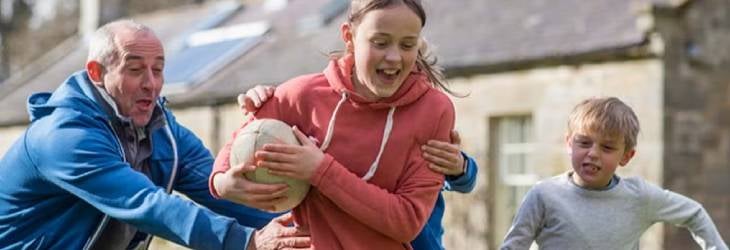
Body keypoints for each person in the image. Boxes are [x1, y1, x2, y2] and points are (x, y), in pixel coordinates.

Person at [0, 20, 307, 250]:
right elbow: (148, 205)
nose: (151, 84)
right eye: (135, 70)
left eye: (158, 70)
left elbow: (221, 190)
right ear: (96, 73)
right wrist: (248, 242)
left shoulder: (164, 133)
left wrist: (306, 230)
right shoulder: (63, 137)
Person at [210, 0, 458, 248]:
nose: (394, 57)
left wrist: (320, 170)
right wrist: (222, 183)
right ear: (349, 37)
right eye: (380, 43)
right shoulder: (302, 95)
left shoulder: (434, 111)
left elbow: (407, 221)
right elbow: (237, 144)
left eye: (407, 45)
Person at [238, 85, 479, 250]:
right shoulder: (336, 116)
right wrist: (264, 101)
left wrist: (460, 168)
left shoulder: (425, 121)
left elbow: (458, 175)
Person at [500, 97, 728, 249]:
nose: (593, 154)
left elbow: (694, 213)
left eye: (607, 148)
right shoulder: (544, 195)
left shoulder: (640, 197)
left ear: (626, 156)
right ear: (569, 143)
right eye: (584, 143)